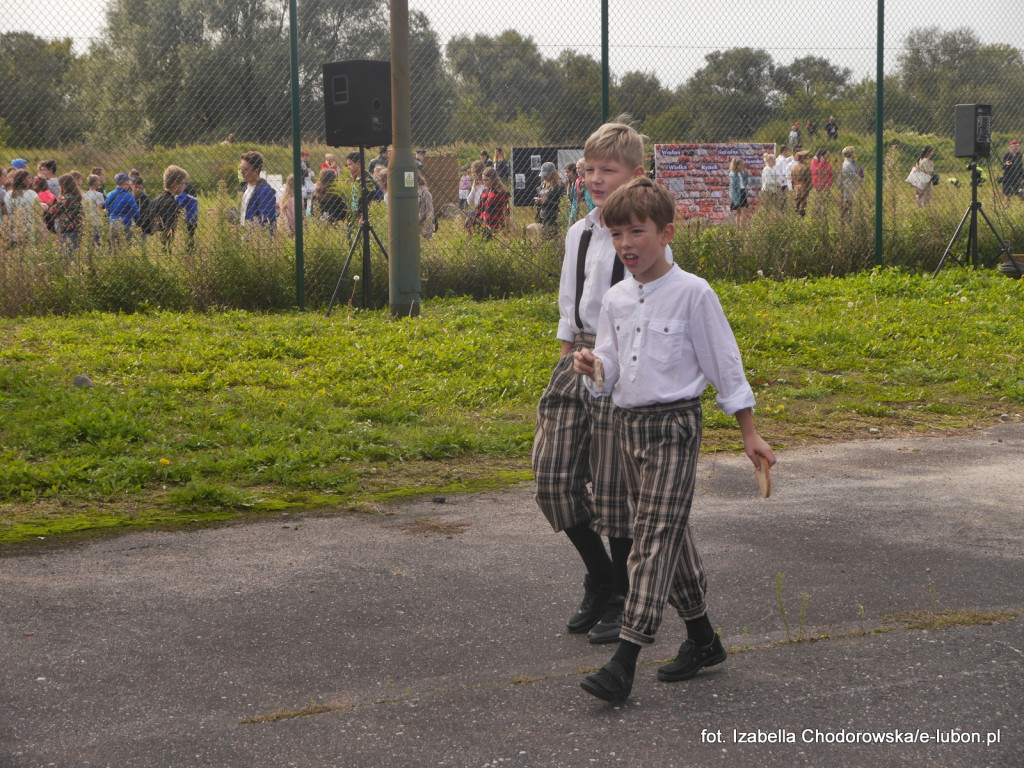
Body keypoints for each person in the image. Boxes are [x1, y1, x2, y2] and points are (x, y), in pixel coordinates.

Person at [573, 176, 775, 702]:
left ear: (666, 233)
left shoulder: (694, 293)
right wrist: (595, 367)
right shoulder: (616, 298)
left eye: (636, 232)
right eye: (617, 234)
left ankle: (625, 659)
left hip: (675, 429)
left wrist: (749, 432)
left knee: (651, 538)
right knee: (670, 534)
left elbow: (725, 364)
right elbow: (611, 365)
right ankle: (704, 639)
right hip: (628, 428)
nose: (626, 244)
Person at [532, 122, 658, 649]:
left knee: (613, 487)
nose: (596, 179)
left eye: (609, 170)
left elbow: (656, 304)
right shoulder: (579, 233)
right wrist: (565, 362)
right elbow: (570, 305)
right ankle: (600, 574)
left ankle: (622, 593)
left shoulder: (645, 236)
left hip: (622, 360)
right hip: (578, 355)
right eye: (589, 170)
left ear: (637, 175)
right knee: (552, 477)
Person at [150, 165, 197, 247]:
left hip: (153, 244)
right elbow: (170, 230)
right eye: (184, 182)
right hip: (164, 247)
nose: (185, 185)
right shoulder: (172, 203)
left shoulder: (155, 200)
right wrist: (167, 249)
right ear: (175, 184)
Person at [239, 151, 277, 230]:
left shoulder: (264, 191)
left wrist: (251, 229)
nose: (241, 172)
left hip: (257, 235)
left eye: (245, 169)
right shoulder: (246, 188)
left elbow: (266, 220)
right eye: (241, 168)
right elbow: (243, 213)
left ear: (256, 170)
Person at [47, 173, 84, 253]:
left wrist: (48, 208)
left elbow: (53, 211)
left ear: (62, 187)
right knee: (75, 252)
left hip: (66, 230)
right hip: (77, 230)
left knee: (66, 254)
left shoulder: (64, 200)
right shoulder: (76, 199)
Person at [4, 168, 42, 246]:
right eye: (29, 177)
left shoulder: (8, 194)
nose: (31, 179)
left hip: (13, 228)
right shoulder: (32, 193)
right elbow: (38, 210)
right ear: (23, 180)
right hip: (29, 228)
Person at [471, 167, 509, 236]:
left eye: (486, 180)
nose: (484, 182)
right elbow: (479, 208)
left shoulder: (500, 192)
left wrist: (505, 226)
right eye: (483, 180)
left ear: (493, 179)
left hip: (495, 225)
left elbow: (506, 211)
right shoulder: (485, 191)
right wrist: (474, 221)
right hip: (483, 224)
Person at [106, 172, 141, 245]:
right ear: (125, 182)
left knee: (114, 246)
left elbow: (107, 210)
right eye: (128, 181)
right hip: (125, 224)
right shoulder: (128, 196)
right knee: (127, 246)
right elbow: (136, 213)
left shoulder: (109, 194)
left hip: (113, 223)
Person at [535, 161, 565, 238]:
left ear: (552, 174)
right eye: (543, 175)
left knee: (550, 238)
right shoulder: (543, 185)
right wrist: (539, 202)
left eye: (546, 175)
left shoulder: (560, 186)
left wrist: (547, 202)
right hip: (543, 217)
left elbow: (562, 204)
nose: (544, 177)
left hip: (554, 218)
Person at [83, 174, 106, 245]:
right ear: (95, 183)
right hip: (96, 221)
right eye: (98, 181)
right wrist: (106, 211)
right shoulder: (99, 195)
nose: (100, 183)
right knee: (98, 242)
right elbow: (99, 209)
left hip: (88, 221)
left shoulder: (85, 195)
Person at [837, 146, 860, 216]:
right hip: (848, 185)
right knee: (848, 203)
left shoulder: (851, 162)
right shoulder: (847, 164)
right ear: (851, 153)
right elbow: (851, 174)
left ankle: (848, 217)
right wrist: (858, 176)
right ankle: (845, 218)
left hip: (852, 185)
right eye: (853, 152)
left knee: (851, 204)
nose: (854, 153)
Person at [464, 160, 487, 229]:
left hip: (485, 211)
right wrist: (474, 187)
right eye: (472, 172)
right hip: (478, 211)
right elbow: (469, 202)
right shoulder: (476, 185)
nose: (473, 174)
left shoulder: (487, 185)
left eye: (474, 172)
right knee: (470, 213)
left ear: (480, 171)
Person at [728, 157, 750, 225]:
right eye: (741, 165)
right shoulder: (733, 174)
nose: (743, 166)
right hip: (737, 193)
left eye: (743, 165)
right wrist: (735, 198)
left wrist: (746, 175)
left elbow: (745, 183)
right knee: (741, 212)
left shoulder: (742, 173)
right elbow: (733, 187)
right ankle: (741, 227)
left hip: (743, 191)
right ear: (736, 165)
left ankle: (739, 227)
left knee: (740, 212)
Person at [131, 176, 153, 242]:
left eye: (140, 187)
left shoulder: (145, 198)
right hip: (130, 225)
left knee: (143, 244)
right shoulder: (128, 197)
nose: (138, 189)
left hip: (142, 226)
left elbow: (149, 212)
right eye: (136, 187)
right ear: (131, 186)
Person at [790, 150, 812, 217]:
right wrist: (809, 188)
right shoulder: (806, 168)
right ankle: (802, 216)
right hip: (804, 186)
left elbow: (792, 180)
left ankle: (796, 216)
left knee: (797, 202)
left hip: (796, 186)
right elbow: (809, 179)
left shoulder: (793, 168)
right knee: (803, 202)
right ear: (804, 159)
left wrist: (793, 187)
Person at [418, 175, 435, 240]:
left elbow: (430, 212)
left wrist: (428, 230)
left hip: (423, 227)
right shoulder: (412, 192)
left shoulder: (425, 193)